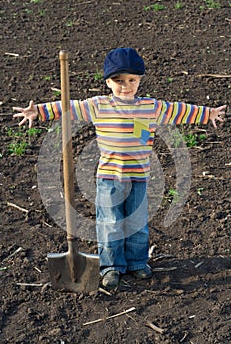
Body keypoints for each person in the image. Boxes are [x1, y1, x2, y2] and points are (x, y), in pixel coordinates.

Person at [13, 47, 226, 289]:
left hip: (139, 177)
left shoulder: (150, 107)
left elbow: (179, 110)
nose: (126, 85)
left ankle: (137, 262)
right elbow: (67, 105)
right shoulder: (98, 106)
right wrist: (38, 111)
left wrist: (208, 114)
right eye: (119, 80)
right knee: (111, 222)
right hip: (109, 178)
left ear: (140, 80)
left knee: (137, 222)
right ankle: (111, 266)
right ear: (107, 82)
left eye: (132, 80)